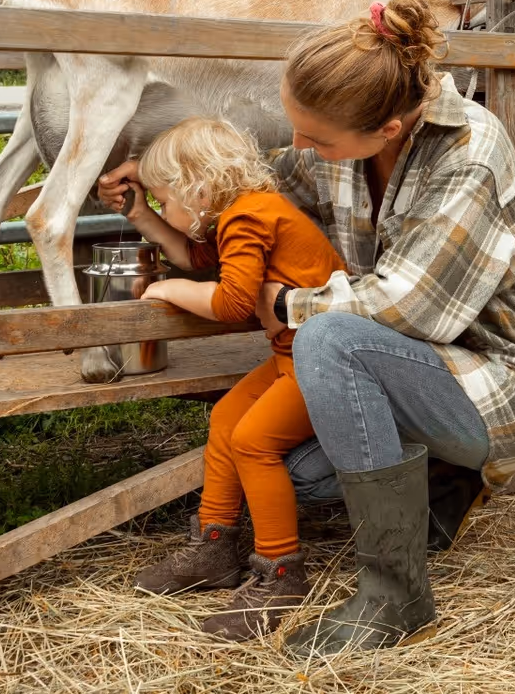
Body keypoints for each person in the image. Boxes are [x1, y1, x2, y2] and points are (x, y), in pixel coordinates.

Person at [102, 0, 515, 658]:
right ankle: (441, 480)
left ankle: (396, 590)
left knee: (325, 336)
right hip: (405, 364)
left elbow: (408, 308)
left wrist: (288, 304)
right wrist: (160, 184)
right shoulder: (341, 136)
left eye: (316, 137)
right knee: (291, 470)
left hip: (499, 385)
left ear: (387, 128)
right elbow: (255, 189)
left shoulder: (470, 154)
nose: (299, 146)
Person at [98, 117, 344, 641]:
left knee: (253, 441)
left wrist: (165, 293)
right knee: (229, 418)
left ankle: (281, 574)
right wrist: (142, 214)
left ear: (199, 189)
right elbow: (194, 258)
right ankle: (214, 548)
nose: (164, 209)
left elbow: (231, 303)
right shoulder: (240, 212)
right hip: (292, 353)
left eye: (165, 199)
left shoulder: (249, 216)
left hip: (324, 360)